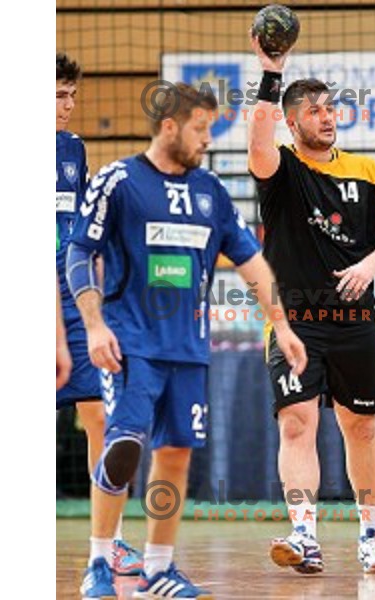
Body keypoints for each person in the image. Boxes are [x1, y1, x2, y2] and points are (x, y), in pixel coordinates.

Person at [67, 82, 306, 599]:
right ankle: (99, 562)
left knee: (175, 455)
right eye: (200, 129)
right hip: (130, 345)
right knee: (124, 446)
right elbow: (79, 252)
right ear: (169, 126)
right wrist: (93, 324)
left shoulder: (211, 192)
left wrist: (282, 325)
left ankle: (158, 570)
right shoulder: (119, 180)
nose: (207, 140)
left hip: (189, 351)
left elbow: (252, 263)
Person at [247, 37, 375, 575]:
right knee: (295, 424)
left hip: (356, 325)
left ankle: (372, 533)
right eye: (314, 111)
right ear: (294, 124)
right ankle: (304, 535)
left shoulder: (366, 171)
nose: (326, 117)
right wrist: (272, 71)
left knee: (361, 426)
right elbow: (258, 144)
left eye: (330, 108)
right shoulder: (282, 168)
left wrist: (370, 266)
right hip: (294, 324)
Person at [56, 52, 142, 576]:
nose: (68, 106)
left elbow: (83, 230)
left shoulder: (72, 149)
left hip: (72, 297)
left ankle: (106, 543)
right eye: (57, 96)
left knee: (101, 418)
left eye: (71, 96)